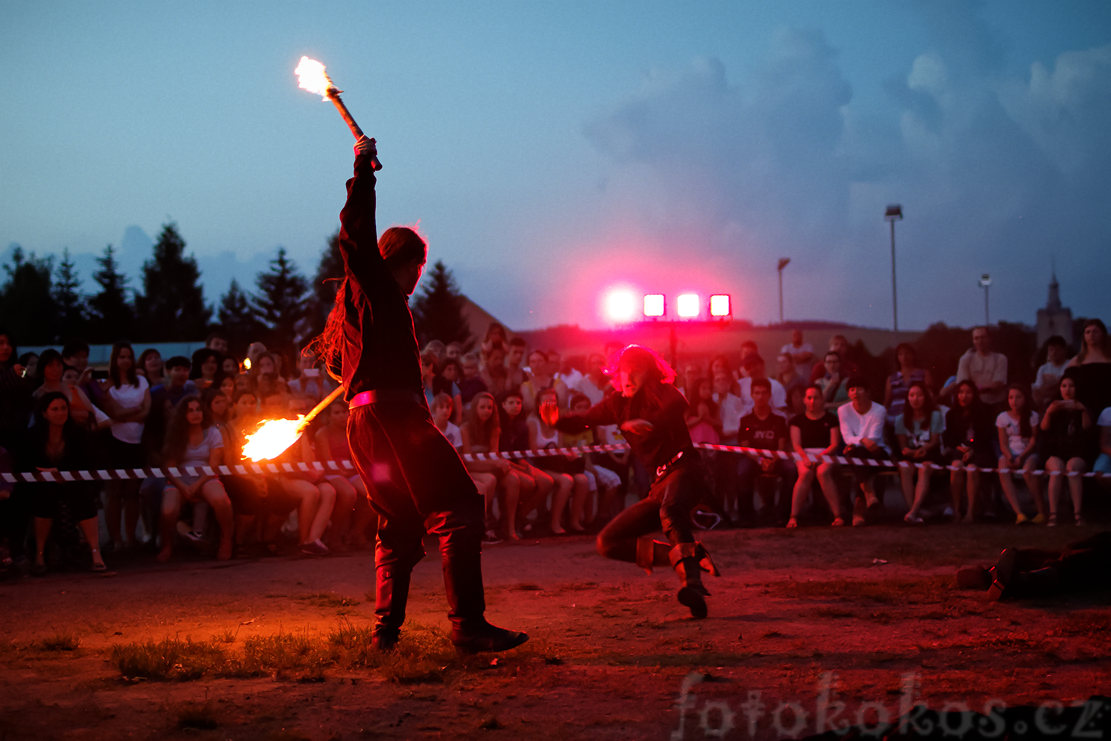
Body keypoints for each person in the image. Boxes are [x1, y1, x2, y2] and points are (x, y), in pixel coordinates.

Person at [310, 135, 525, 653]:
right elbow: (355, 235)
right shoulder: (378, 287)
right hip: (395, 420)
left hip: (365, 422)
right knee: (459, 505)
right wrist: (363, 171)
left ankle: (386, 633)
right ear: (403, 263)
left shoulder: (361, 307)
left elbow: (348, 370)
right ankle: (467, 626)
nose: (417, 278)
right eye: (416, 268)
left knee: (399, 521)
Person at [548, 344, 721, 619]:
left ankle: (692, 584)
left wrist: (650, 422)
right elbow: (584, 420)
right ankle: (690, 555)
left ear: (648, 373)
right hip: (660, 484)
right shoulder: (616, 404)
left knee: (671, 510)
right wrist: (557, 421)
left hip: (686, 470)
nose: (628, 378)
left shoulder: (664, 393)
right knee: (608, 541)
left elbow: (678, 405)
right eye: (623, 372)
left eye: (635, 372)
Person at [22, 392, 107, 574]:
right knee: (44, 498)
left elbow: (86, 463)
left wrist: (61, 473)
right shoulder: (32, 436)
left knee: (84, 498)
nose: (60, 413)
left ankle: (95, 553)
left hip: (72, 483)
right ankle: (39, 555)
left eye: (63, 408)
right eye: (55, 409)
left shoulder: (78, 434)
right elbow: (26, 465)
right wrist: (48, 474)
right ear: (44, 413)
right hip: (41, 485)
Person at [156, 395, 235, 562]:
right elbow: (170, 468)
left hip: (205, 477)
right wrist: (183, 486)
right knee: (168, 509)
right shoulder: (176, 435)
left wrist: (198, 484)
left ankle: (226, 541)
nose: (195, 414)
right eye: (190, 410)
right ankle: (167, 545)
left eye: (198, 409)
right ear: (182, 414)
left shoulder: (213, 433)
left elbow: (214, 465)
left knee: (222, 501)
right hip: (179, 479)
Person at [102, 341, 150, 552]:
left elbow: (146, 410)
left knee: (132, 492)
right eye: (121, 357)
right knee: (114, 492)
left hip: (137, 442)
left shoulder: (141, 381)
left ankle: (131, 538)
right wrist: (133, 412)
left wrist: (126, 414)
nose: (125, 361)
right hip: (114, 442)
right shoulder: (107, 383)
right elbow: (112, 413)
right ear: (115, 359)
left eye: (128, 356)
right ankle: (116, 539)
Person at [736, 378, 796, 527]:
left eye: (764, 393)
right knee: (742, 471)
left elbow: (782, 446)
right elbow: (745, 446)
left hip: (775, 458)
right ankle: (746, 516)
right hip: (754, 459)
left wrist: (772, 460)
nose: (760, 396)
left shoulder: (779, 419)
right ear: (752, 395)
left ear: (769, 395)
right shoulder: (745, 419)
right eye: (757, 393)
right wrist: (760, 461)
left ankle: (783, 514)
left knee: (791, 470)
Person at [788, 385, 845, 528]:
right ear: (804, 400)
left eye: (816, 398)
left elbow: (834, 444)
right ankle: (793, 516)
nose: (813, 401)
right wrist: (806, 458)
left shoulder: (831, 419)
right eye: (809, 398)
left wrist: (819, 457)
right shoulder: (797, 420)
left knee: (823, 472)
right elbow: (796, 445)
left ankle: (837, 515)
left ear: (822, 399)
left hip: (826, 454)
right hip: (804, 454)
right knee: (805, 473)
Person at [1040, 376, 1092, 526]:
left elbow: (1087, 429)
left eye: (1071, 386)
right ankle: (1053, 514)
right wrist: (1049, 412)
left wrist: (1082, 410)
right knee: (1057, 469)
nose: (1067, 390)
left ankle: (1077, 514)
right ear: (1059, 388)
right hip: (1054, 452)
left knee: (1072, 467)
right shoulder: (1053, 407)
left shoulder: (1083, 406)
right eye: (1064, 386)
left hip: (1077, 452)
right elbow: (1043, 429)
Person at [837, 378, 889, 526]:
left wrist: (858, 441)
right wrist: (861, 441)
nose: (855, 392)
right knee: (856, 455)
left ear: (868, 392)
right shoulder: (843, 410)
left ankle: (859, 508)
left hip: (877, 452)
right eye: (852, 389)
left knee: (856, 455)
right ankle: (869, 495)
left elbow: (874, 438)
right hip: (856, 453)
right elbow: (847, 437)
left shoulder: (879, 410)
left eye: (859, 389)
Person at [943, 380, 997, 523]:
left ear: (974, 394)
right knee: (956, 467)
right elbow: (948, 438)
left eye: (968, 392)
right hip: (960, 450)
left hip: (981, 451)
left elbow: (987, 436)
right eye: (960, 392)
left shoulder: (984, 411)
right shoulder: (951, 414)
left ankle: (970, 512)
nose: (964, 396)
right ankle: (956, 509)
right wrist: (958, 447)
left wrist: (973, 449)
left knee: (972, 470)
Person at [895, 382, 944, 524]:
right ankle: (913, 511)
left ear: (925, 397)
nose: (915, 399)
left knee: (924, 469)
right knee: (904, 468)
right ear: (907, 398)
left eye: (919, 395)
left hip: (929, 454)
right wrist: (910, 452)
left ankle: (914, 511)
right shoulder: (900, 419)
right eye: (912, 395)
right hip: (910, 455)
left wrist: (923, 450)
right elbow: (902, 446)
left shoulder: (935, 416)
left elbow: (935, 441)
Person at [995, 384, 1045, 525]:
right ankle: (1019, 513)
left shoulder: (1033, 416)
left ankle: (1041, 511)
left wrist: (1021, 457)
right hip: (1010, 453)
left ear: (1025, 398)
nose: (1014, 401)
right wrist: (1010, 456)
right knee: (1002, 466)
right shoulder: (1002, 417)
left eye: (1018, 397)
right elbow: (1003, 443)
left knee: (1028, 471)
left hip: (1027, 453)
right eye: (1011, 397)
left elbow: (1033, 440)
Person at [956, 327, 1008, 409]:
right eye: (976, 338)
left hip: (996, 405)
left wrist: (975, 387)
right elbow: (963, 385)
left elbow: (998, 384)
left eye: (983, 337)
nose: (980, 341)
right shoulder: (965, 359)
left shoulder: (1000, 358)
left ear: (989, 339)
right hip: (973, 405)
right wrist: (984, 387)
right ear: (973, 341)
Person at [884, 343, 934, 426]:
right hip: (894, 420)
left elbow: (930, 396)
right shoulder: (891, 378)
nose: (904, 357)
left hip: (917, 420)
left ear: (913, 355)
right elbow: (887, 402)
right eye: (900, 354)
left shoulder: (924, 374)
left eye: (907, 353)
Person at [1032, 336, 1070, 411]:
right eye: (1051, 350)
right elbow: (1037, 389)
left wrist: (1051, 386)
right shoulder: (1043, 368)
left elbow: (1062, 388)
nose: (1054, 353)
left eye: (1057, 350)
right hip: (1046, 406)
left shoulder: (1070, 365)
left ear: (1064, 350)